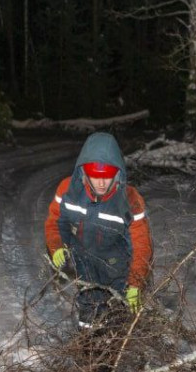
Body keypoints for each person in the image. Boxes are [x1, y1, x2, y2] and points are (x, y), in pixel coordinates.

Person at [44, 131, 152, 334]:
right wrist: (57, 246)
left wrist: (135, 283)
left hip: (118, 269)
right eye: (95, 177)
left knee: (115, 318)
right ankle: (88, 351)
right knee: (88, 311)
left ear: (117, 173)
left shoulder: (130, 199)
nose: (101, 183)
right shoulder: (68, 190)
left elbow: (141, 243)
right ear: (84, 172)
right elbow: (55, 222)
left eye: (107, 177)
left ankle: (112, 353)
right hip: (85, 265)